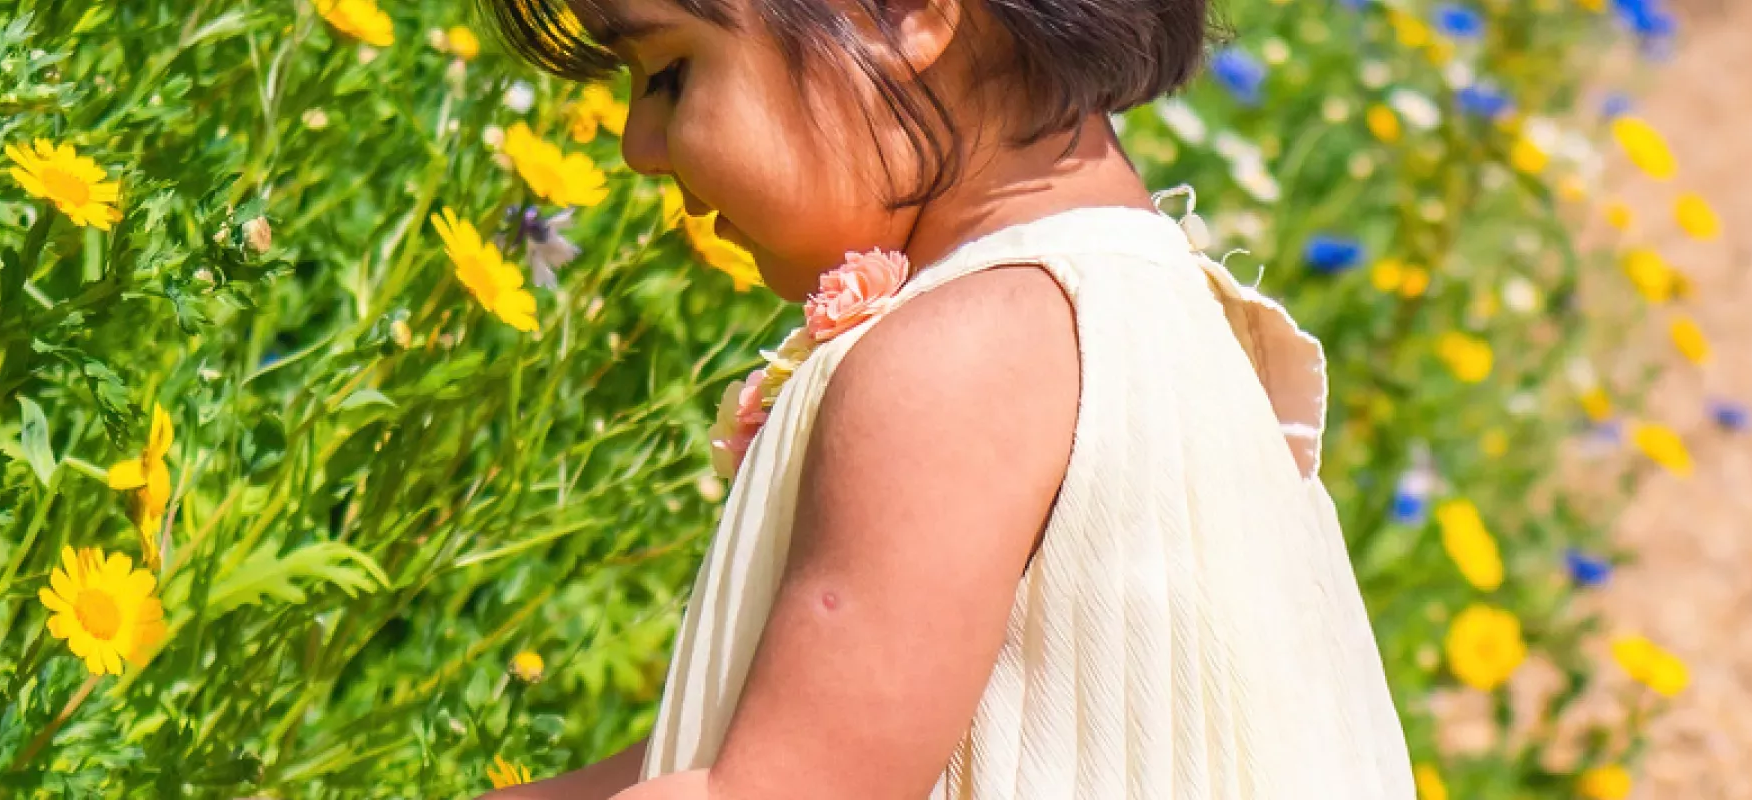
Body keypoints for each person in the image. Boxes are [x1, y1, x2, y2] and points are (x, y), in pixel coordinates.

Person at [475, 0, 1414, 796]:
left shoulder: (965, 356)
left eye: (671, 72)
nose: (641, 146)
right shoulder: (1142, 314)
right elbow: (767, 738)